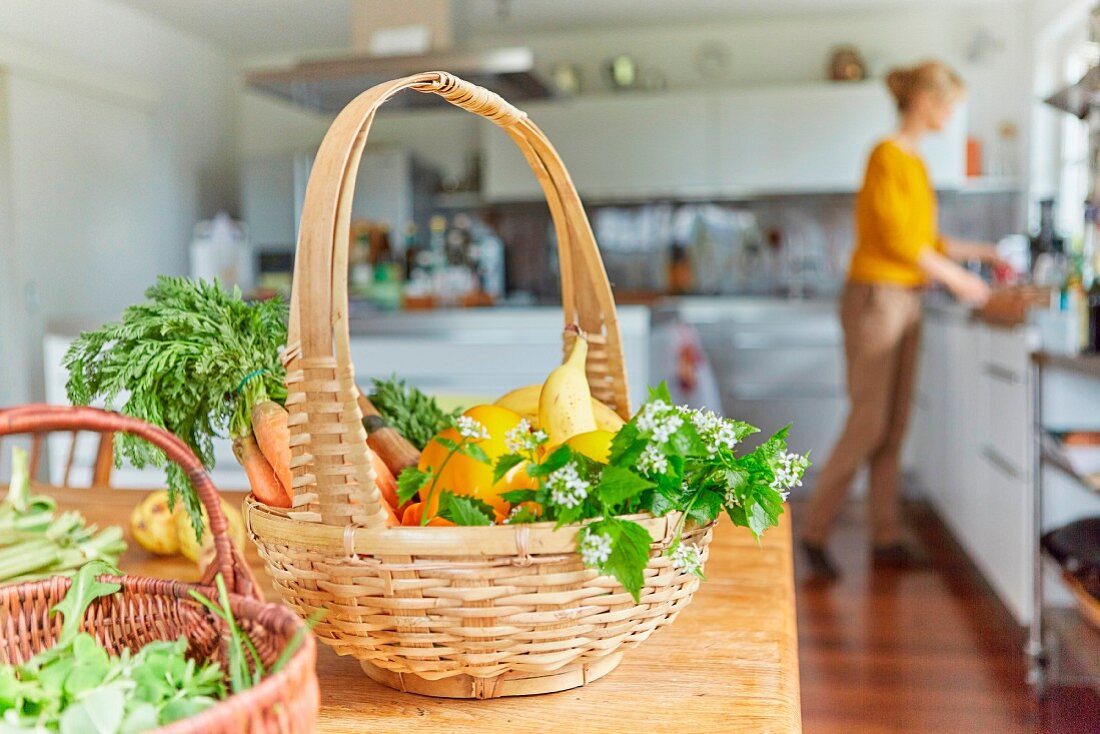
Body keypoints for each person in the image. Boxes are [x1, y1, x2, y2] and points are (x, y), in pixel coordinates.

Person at [800, 60, 999, 580]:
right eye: (950, 103)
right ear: (926, 102)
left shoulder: (916, 162)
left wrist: (985, 251)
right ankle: (814, 531)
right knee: (868, 422)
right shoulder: (885, 155)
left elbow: (925, 241)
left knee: (894, 425)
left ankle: (885, 535)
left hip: (906, 299)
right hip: (877, 299)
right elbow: (896, 240)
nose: (951, 114)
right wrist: (961, 281)